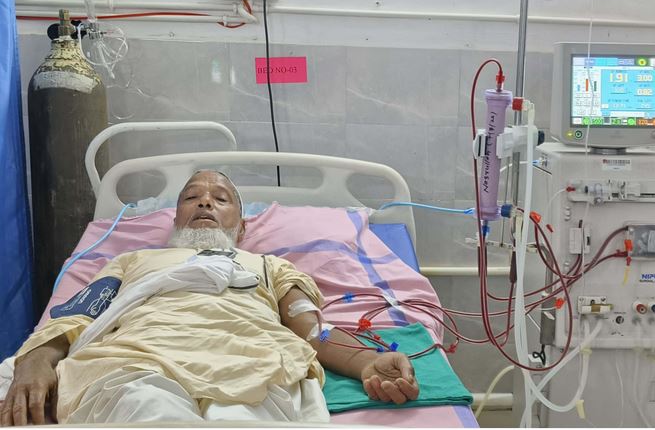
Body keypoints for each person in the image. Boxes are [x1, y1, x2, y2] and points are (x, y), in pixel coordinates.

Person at [0, 170, 419, 426]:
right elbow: (76, 318)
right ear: (176, 219)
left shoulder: (269, 266)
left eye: (221, 198)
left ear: (242, 227)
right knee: (146, 408)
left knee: (241, 417)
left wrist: (366, 361)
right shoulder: (133, 261)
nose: (204, 201)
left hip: (251, 366)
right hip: (137, 362)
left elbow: (312, 331)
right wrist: (34, 362)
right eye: (191, 197)